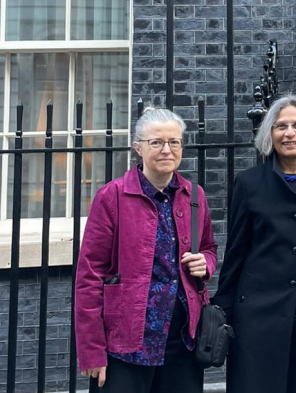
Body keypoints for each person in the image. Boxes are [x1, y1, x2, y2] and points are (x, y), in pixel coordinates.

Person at [75, 107, 218, 393]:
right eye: (157, 142)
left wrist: (206, 263)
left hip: (183, 340)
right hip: (126, 341)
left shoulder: (195, 195)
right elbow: (90, 277)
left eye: (174, 142)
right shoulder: (112, 197)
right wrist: (92, 350)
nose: (167, 149)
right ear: (138, 148)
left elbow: (209, 248)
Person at [213, 95, 296, 393]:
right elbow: (235, 252)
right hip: (257, 320)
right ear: (269, 135)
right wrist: (223, 312)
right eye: (280, 126)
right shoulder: (249, 183)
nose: (289, 133)